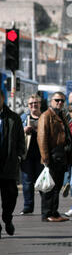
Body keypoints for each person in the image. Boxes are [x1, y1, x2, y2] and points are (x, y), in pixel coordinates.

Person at [37, 92, 72, 222]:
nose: (60, 103)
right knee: (50, 186)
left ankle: (54, 211)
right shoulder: (46, 116)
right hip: (52, 155)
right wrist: (46, 158)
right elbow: (42, 138)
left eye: (62, 101)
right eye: (57, 100)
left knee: (57, 185)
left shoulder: (61, 115)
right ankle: (47, 213)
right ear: (51, 101)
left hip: (61, 155)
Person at [0, 89, 25, 238]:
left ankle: (7, 218)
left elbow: (21, 140)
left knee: (11, 195)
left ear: (3, 98)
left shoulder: (13, 118)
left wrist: (20, 155)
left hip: (9, 164)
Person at [20, 94, 44, 215]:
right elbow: (15, 135)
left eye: (36, 103)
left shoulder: (45, 117)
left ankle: (46, 207)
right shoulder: (23, 118)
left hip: (42, 155)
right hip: (27, 155)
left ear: (40, 104)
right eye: (31, 103)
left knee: (43, 182)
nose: (34, 105)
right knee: (27, 182)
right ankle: (28, 207)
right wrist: (23, 130)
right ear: (28, 105)